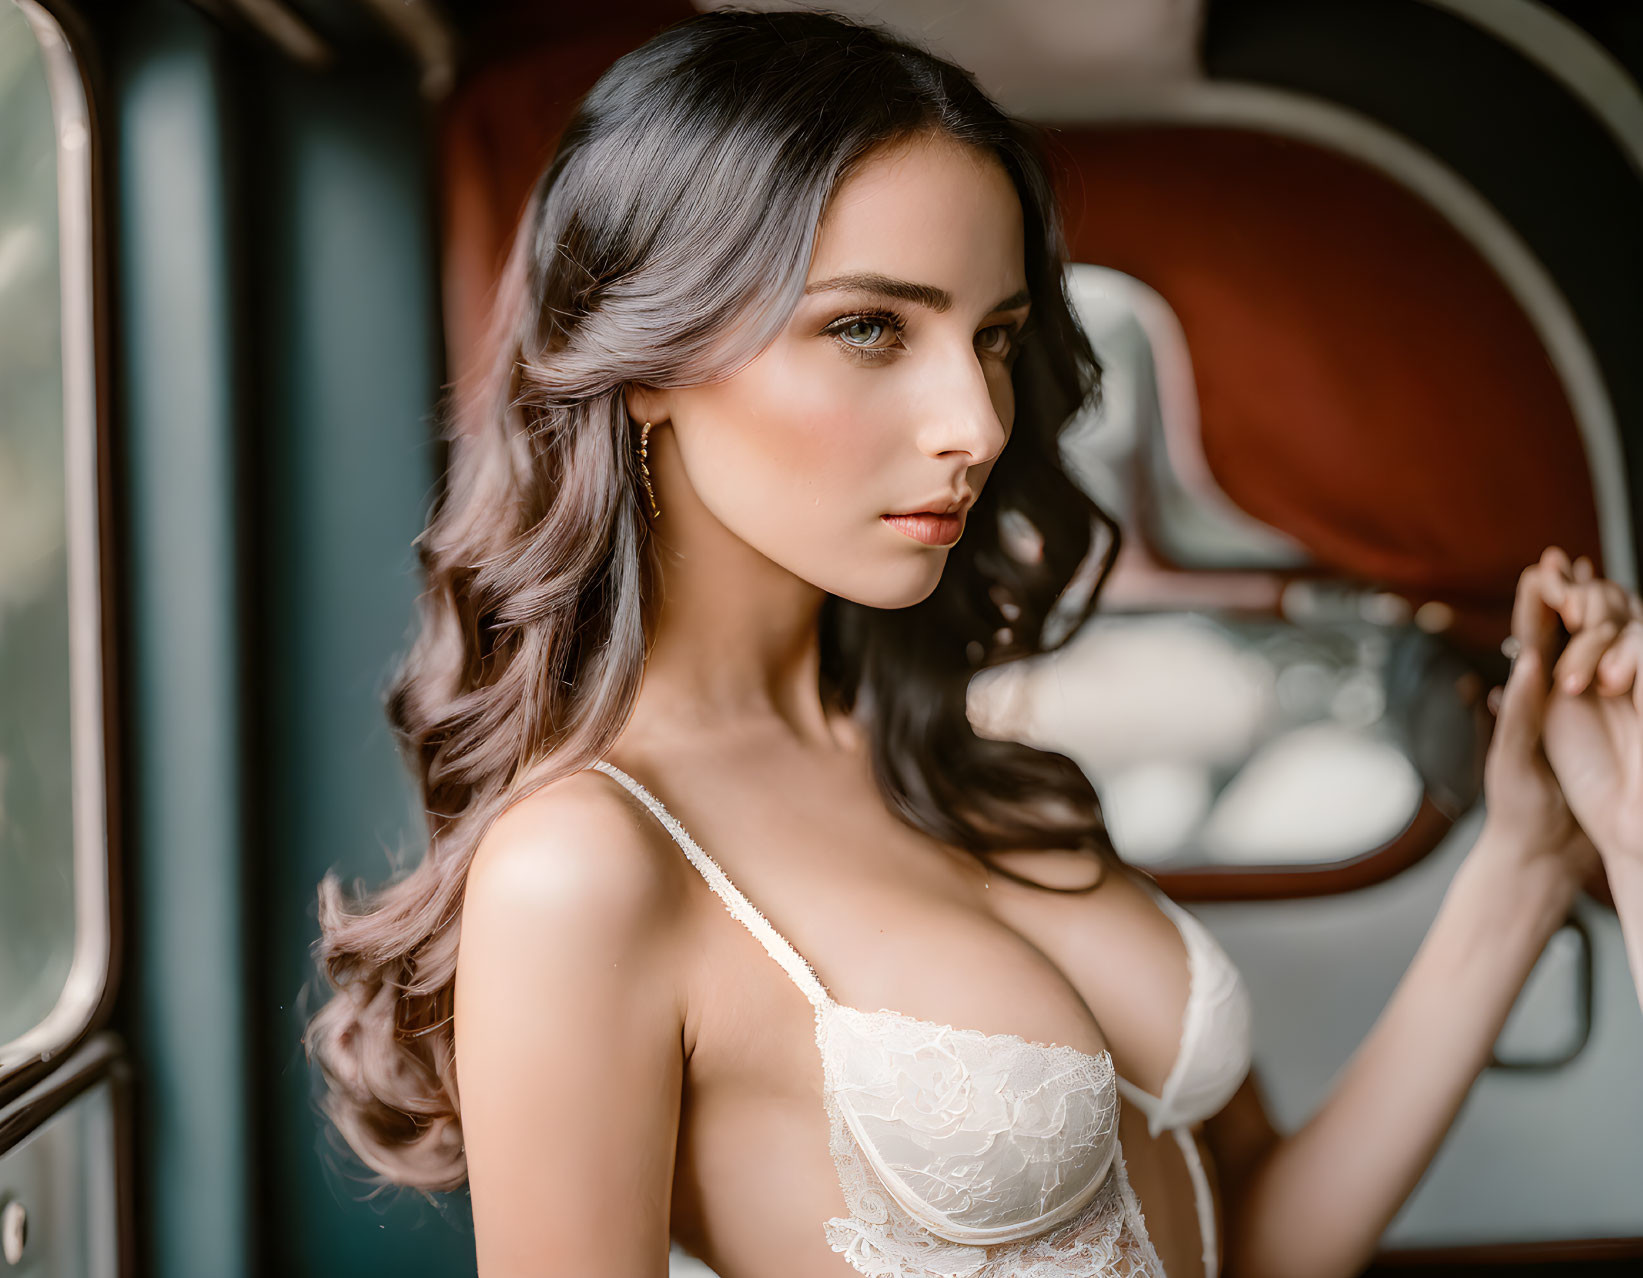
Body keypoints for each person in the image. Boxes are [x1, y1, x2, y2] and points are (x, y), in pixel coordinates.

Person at [302, 9, 1643, 1278]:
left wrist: (1526, 854)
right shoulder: (586, 865)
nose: (979, 422)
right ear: (648, 362)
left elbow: (1266, 1243)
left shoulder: (951, 752)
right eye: (869, 327)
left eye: (994, 337)